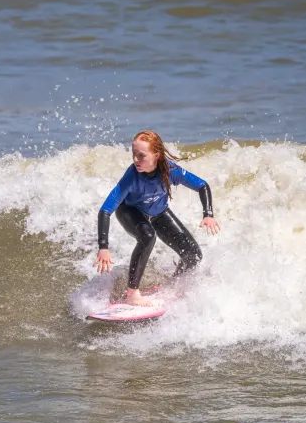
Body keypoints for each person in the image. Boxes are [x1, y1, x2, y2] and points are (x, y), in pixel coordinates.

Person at [93, 130, 220, 306]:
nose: (135, 160)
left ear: (156, 155)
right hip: (130, 211)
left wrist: (208, 215)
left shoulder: (170, 170)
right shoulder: (131, 177)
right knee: (147, 236)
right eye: (134, 154)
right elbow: (106, 210)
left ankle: (175, 284)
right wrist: (103, 247)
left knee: (193, 255)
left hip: (159, 212)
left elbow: (202, 185)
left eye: (141, 155)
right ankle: (132, 294)